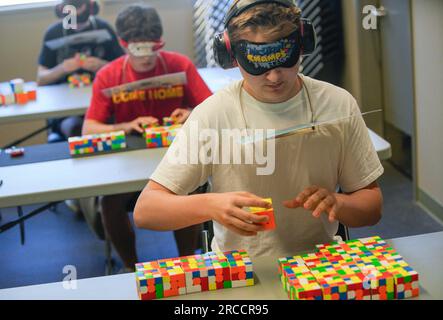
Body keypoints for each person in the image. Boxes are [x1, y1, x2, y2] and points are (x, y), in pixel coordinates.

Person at [133, 0, 384, 258]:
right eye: (258, 64)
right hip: (241, 269)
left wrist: (339, 203)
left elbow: (372, 207)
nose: (274, 78)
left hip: (317, 264)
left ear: (302, 43)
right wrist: (209, 204)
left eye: (284, 60)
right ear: (230, 54)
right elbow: (147, 210)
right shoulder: (213, 115)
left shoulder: (337, 104)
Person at [82, 4, 212, 271]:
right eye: (138, 50)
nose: (146, 57)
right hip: (128, 165)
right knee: (109, 201)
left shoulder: (179, 64)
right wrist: (127, 125)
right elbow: (89, 128)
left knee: (190, 191)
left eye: (154, 48)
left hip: (175, 158)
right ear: (122, 43)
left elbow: (213, 108)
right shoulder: (108, 76)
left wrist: (191, 113)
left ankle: (187, 264)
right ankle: (131, 268)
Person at [37, 0, 124, 141]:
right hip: (65, 109)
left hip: (101, 104)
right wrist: (62, 68)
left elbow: (124, 69)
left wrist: (103, 66)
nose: (76, 15)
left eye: (79, 8)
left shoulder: (104, 29)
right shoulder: (54, 33)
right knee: (75, 129)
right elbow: (41, 78)